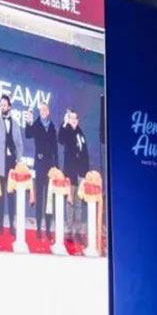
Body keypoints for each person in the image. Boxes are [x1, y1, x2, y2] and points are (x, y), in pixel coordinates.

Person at [0, 94, 24, 235]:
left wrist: (18, 159)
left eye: (4, 105)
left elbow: (19, 144)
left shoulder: (16, 124)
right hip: (0, 163)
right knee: (0, 195)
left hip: (11, 163)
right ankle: (1, 224)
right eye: (0, 105)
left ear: (9, 107)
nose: (2, 107)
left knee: (11, 195)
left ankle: (12, 225)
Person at [24, 102, 58, 238]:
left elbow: (55, 149)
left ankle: (48, 229)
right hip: (39, 165)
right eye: (41, 110)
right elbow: (28, 134)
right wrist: (28, 121)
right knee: (39, 197)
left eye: (45, 109)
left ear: (48, 111)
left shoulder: (52, 127)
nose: (43, 112)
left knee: (49, 199)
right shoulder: (36, 125)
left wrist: (56, 167)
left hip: (50, 167)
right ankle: (38, 228)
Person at [57, 108, 90, 240]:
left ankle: (77, 231)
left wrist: (86, 174)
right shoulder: (66, 131)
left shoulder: (81, 133)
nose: (74, 120)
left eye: (75, 118)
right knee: (70, 202)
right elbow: (60, 139)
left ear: (78, 120)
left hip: (81, 173)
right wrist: (64, 123)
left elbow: (85, 154)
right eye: (71, 118)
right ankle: (69, 230)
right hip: (70, 172)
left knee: (78, 204)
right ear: (69, 119)